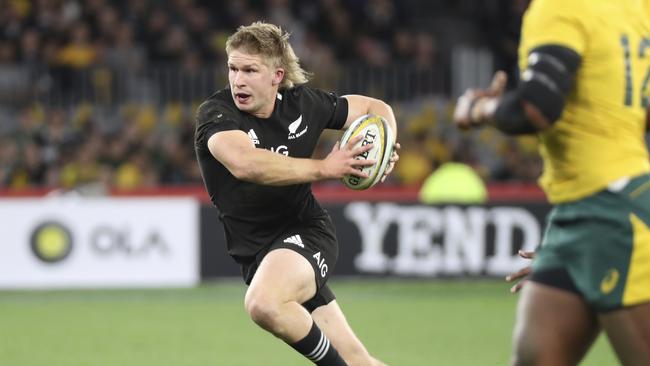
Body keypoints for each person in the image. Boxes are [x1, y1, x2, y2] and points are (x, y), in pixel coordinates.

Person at [453, 0, 650, 365]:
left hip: (611, 215)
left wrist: (477, 109)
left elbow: (536, 107)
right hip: (588, 211)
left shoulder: (561, 7)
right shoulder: (635, 8)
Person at [194, 22, 399, 366]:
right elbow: (247, 164)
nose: (238, 80)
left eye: (249, 70)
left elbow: (373, 108)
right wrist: (325, 168)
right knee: (360, 361)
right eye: (232, 68)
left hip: (305, 234)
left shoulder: (304, 104)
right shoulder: (217, 114)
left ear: (277, 75)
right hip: (258, 255)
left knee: (263, 303)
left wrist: (387, 143)